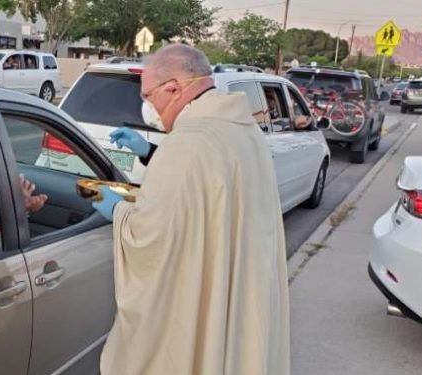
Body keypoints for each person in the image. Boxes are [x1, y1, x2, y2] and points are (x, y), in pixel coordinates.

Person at [95, 44, 289, 374]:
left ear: (173, 88)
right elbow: (211, 188)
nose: (147, 107)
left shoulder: (188, 142)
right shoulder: (241, 128)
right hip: (246, 293)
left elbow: (153, 236)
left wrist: (118, 213)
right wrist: (151, 152)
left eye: (147, 96)